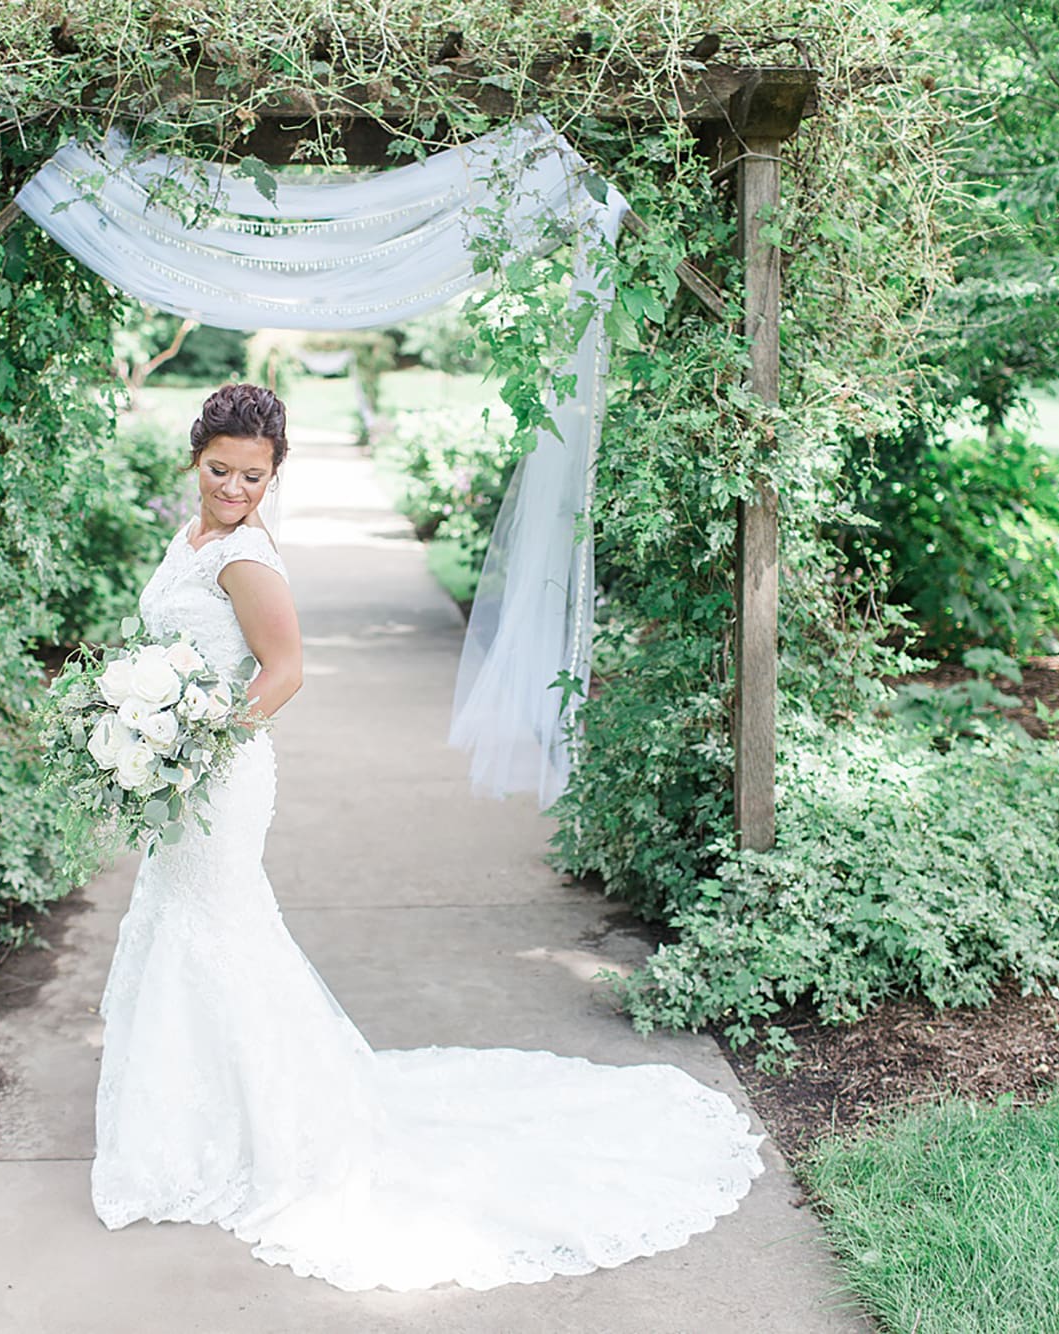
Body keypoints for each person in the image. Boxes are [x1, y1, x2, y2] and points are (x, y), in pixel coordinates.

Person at [91, 383, 765, 1292]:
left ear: (276, 472)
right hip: (189, 774)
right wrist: (146, 719)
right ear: (195, 459)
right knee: (187, 927)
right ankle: (193, 1118)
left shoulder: (246, 557)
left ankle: (255, 1129)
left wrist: (195, 743)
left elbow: (286, 672)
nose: (236, 490)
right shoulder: (193, 541)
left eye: (255, 476)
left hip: (222, 772)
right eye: (221, 471)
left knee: (218, 933)